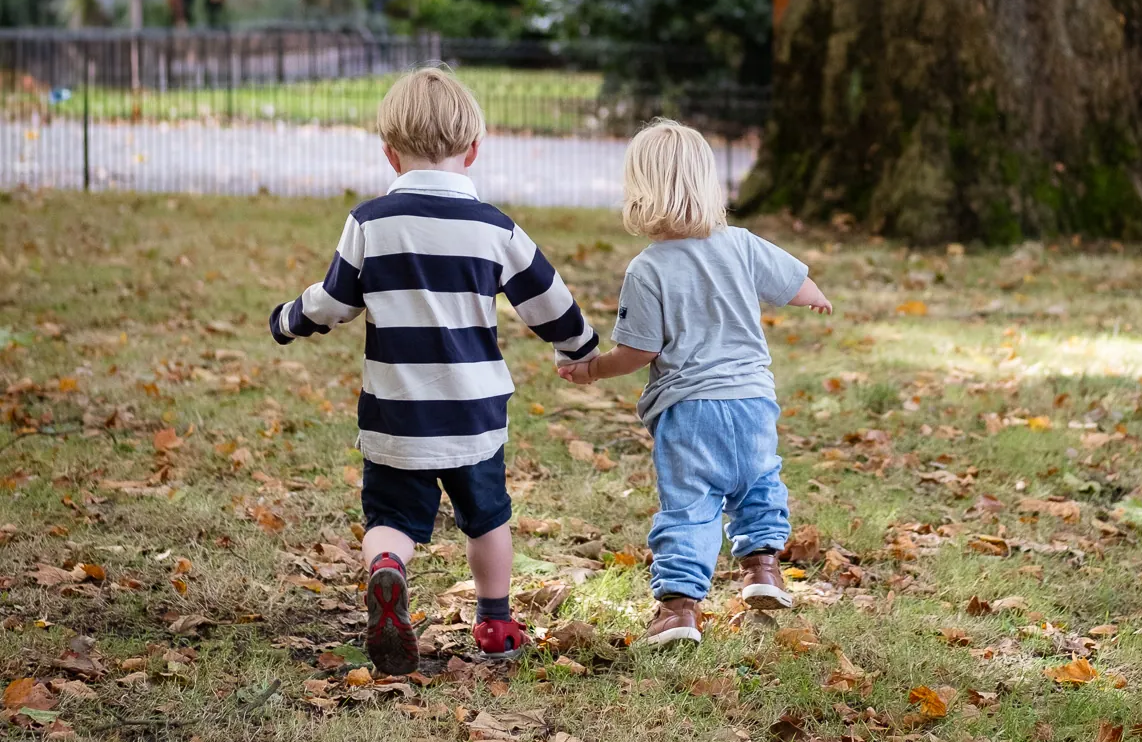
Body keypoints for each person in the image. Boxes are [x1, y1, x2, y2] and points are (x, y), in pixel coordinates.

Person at [268, 65, 597, 672]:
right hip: (473, 414)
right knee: (488, 518)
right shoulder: (493, 228)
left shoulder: (370, 222)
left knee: (390, 517)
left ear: (390, 155)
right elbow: (549, 300)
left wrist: (291, 318)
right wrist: (579, 348)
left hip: (397, 413)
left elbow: (337, 301)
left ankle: (388, 569)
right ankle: (496, 622)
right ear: (474, 149)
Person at [557, 118, 831, 646]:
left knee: (690, 503)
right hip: (753, 400)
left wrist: (591, 368)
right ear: (708, 184)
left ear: (640, 191)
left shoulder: (648, 269)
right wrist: (814, 296)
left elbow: (639, 352)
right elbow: (796, 282)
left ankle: (680, 608)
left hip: (689, 410)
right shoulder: (743, 245)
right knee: (758, 480)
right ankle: (762, 568)